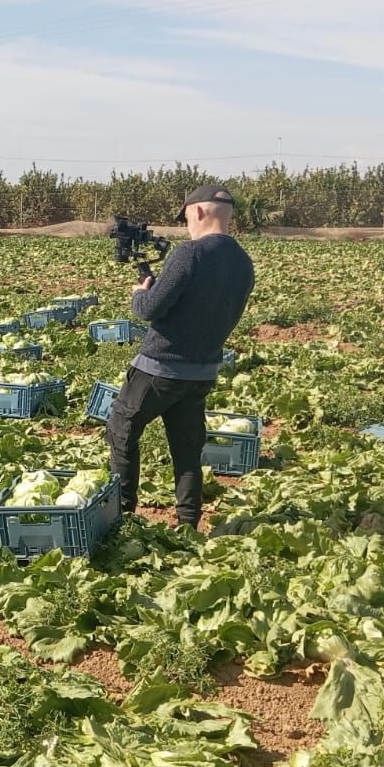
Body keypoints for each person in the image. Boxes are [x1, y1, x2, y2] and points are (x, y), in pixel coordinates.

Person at [106, 184, 255, 530]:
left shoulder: (190, 253)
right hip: (202, 371)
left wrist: (140, 294)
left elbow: (150, 309)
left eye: (187, 215)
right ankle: (189, 523)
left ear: (199, 212)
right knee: (187, 450)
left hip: (160, 367)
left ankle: (124, 515)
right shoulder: (243, 262)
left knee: (121, 429)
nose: (187, 223)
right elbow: (206, 306)